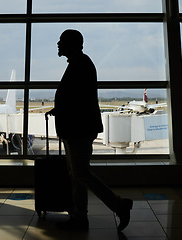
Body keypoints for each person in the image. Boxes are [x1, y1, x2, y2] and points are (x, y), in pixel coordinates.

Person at [46, 29, 133, 232]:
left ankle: (119, 205)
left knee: (81, 174)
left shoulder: (81, 64)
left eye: (62, 41)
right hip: (75, 129)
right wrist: (59, 109)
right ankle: (80, 217)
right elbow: (77, 98)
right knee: (77, 175)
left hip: (78, 130)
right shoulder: (80, 63)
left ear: (72, 44)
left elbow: (77, 101)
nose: (58, 44)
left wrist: (62, 110)